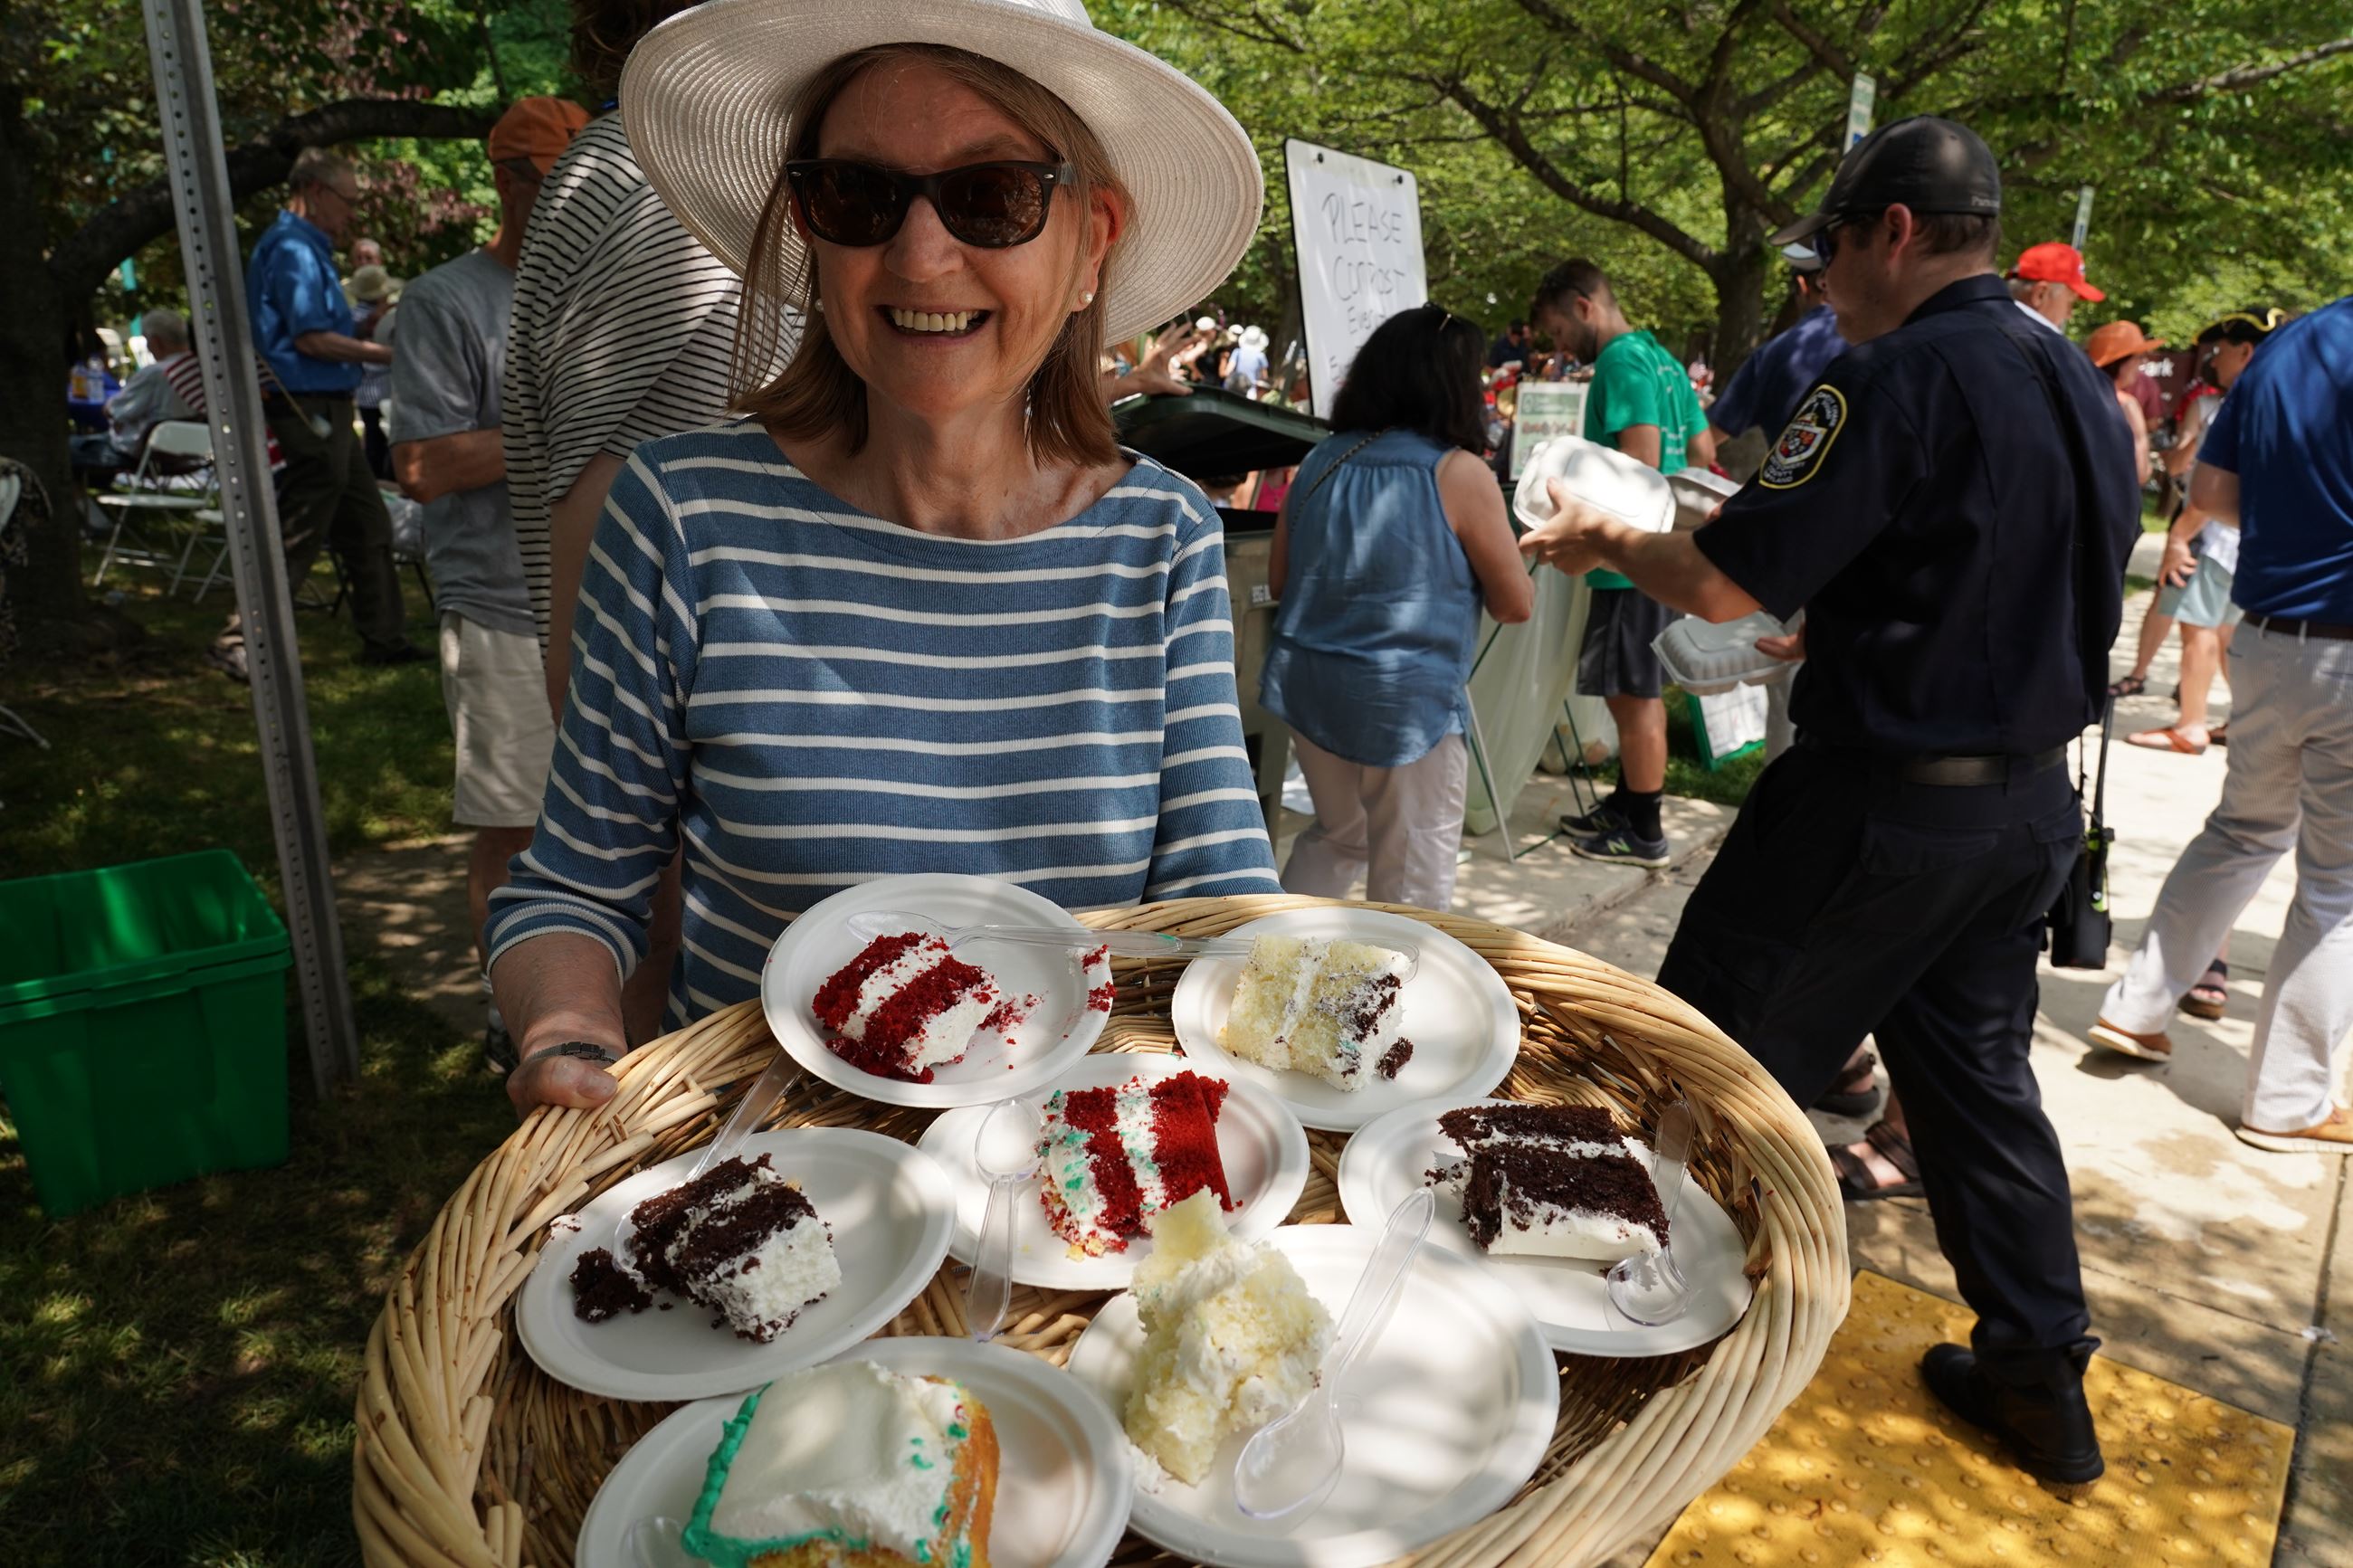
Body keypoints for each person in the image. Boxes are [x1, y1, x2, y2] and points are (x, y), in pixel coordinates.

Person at [488, 2, 1283, 1115]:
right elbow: (573, 887)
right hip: (775, 1187)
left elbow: (1217, 904)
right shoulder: (680, 513)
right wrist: (562, 1031)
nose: (918, 254)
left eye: (991, 195)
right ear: (808, 227)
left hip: (1064, 1188)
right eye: (856, 194)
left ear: (1093, 238)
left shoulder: (1159, 541)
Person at [1520, 116, 2138, 1485]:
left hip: (1879, 808)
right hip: (2024, 807)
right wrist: (1863, 624)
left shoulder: (1891, 376)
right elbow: (2024, 579)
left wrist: (1596, 537)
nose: (1824, 281)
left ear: (1896, 233)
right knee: (1980, 1093)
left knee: (1692, 1067)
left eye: (1835, 249)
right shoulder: (2082, 380)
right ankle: (2044, 1379)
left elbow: (1728, 578)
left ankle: (1600, 1363)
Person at [2087, 297, 2353, 1153]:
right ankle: (2289, 1100)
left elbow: (2209, 493)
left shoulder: (2289, 346)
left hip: (2270, 639)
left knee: (2242, 831)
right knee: (2339, 886)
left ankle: (2137, 1010)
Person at [388, 97, 588, 1072]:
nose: (569, 204)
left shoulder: (600, 291)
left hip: (607, 602)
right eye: (553, 184)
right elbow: (420, 465)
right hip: (502, 603)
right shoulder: (444, 299)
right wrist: (574, 428)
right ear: (507, 180)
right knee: (517, 830)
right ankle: (513, 1023)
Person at [1260, 305, 1535, 912]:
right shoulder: (1461, 473)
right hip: (1406, 708)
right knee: (1412, 874)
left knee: (1337, 835)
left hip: (1310, 689)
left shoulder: (1320, 460)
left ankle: (1265, 964)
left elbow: (1280, 580)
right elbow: (1515, 604)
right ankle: (1397, 1003)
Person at [1529, 258, 1716, 869]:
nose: (1561, 348)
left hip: (1627, 555)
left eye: (1559, 332)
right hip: (1653, 548)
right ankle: (1630, 800)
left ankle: (1645, 827)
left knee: (1633, 694)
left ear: (1585, 307)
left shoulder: (1619, 361)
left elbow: (1635, 461)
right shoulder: (1662, 359)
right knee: (1629, 689)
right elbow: (1703, 448)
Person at [230, 146, 424, 676]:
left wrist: (365, 331)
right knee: (299, 527)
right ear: (315, 192)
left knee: (367, 524)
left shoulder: (304, 246)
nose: (353, 213)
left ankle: (385, 639)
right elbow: (312, 341)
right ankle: (239, 637)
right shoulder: (292, 248)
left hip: (327, 405)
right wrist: (392, 353)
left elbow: (322, 334)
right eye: (348, 200)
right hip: (307, 405)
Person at [2123, 309, 2287, 758]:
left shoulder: (2242, 404)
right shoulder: (2283, 400)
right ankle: (2242, 723)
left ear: (2246, 351)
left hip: (2215, 541)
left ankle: (2191, 726)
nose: (2214, 360)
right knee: (2231, 636)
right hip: (2251, 545)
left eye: (2222, 350)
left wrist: (2178, 536)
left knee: (2198, 631)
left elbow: (2213, 492)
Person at [1707, 249, 1845, 453]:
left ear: (1802, 285)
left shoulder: (1777, 352)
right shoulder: (1883, 339)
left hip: (1800, 483)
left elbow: (1706, 440)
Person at [95, 309, 196, 461]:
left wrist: (113, 412)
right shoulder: (199, 368)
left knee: (72, 448)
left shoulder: (155, 373)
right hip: (193, 450)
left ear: (156, 341)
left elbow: (114, 410)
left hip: (152, 453)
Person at [347, 263, 401, 480]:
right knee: (386, 441)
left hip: (364, 391)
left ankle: (376, 477)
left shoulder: (350, 317)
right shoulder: (382, 318)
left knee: (373, 440)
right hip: (383, 389)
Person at [2007, 241, 2101, 333]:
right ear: (2040, 294)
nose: (2069, 314)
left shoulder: (1996, 325)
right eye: (2069, 303)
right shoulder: (2037, 343)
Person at [1224, 324, 1269, 394]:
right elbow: (1264, 377)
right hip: (1251, 390)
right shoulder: (1261, 356)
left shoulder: (1237, 352)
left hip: (1234, 387)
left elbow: (1228, 371)